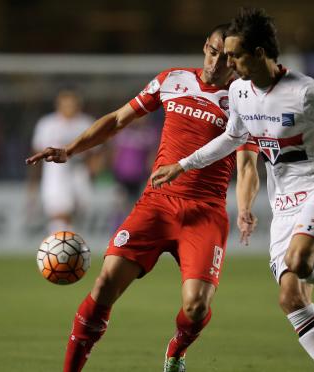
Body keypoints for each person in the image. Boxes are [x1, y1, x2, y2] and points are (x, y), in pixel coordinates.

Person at [151, 8, 314, 372]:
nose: (228, 62)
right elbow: (232, 138)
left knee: (300, 260)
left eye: (235, 55)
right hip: (284, 206)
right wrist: (182, 164)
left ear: (259, 54)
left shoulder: (306, 93)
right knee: (291, 298)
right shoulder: (240, 91)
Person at [26, 24, 259, 372]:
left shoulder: (247, 100)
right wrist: (71, 150)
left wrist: (245, 208)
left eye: (226, 56)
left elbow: (247, 163)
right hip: (157, 203)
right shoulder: (173, 80)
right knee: (105, 282)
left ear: (238, 59)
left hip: (205, 212)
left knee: (196, 307)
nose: (216, 61)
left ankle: (176, 351)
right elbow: (119, 119)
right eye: (212, 50)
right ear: (204, 46)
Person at [28, 90, 96, 234]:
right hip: (55, 174)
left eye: (72, 104)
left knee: (78, 215)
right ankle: (61, 250)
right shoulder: (47, 124)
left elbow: (97, 152)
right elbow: (37, 153)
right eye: (65, 104)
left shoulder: (85, 123)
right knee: (59, 214)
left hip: (79, 173)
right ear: (58, 105)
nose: (69, 108)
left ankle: (68, 248)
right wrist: (33, 181)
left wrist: (93, 168)